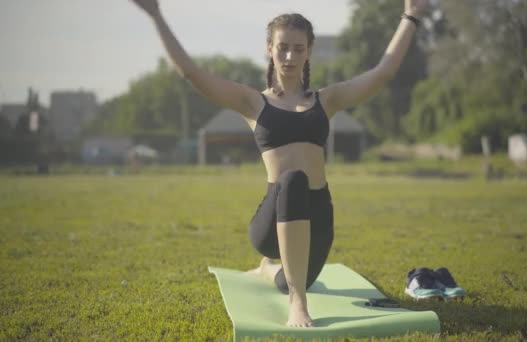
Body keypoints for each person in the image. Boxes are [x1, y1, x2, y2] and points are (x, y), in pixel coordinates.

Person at [131, 0, 427, 328]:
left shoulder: (325, 100)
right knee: (292, 180)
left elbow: (382, 74)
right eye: (282, 47)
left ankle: (268, 269)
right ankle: (297, 304)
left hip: (318, 217)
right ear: (269, 49)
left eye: (298, 49)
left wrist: (411, 16)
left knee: (291, 277)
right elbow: (192, 74)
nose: (289, 56)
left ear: (309, 52)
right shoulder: (252, 102)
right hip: (272, 219)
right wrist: (156, 15)